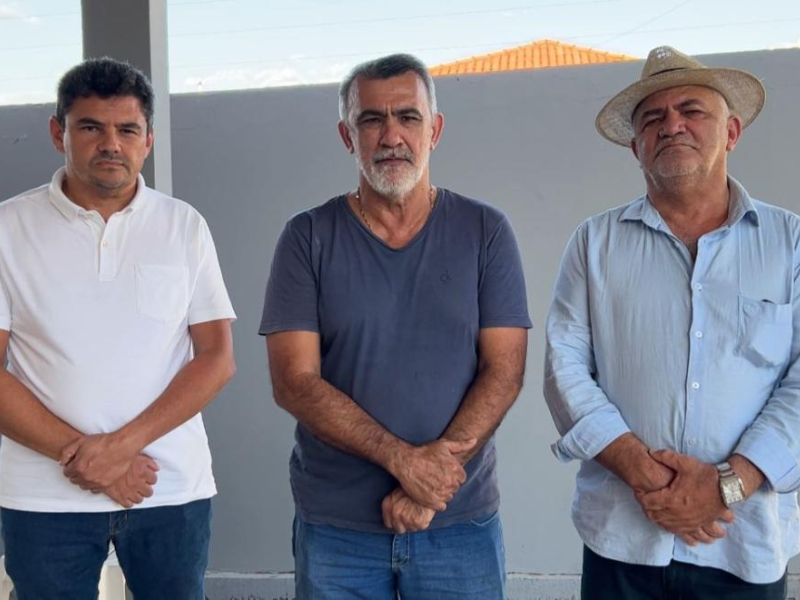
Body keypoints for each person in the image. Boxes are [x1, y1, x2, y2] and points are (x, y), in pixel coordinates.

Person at [261, 53, 530, 599]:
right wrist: (405, 463)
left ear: (435, 129)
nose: (391, 136)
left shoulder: (485, 230)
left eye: (408, 117)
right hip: (338, 530)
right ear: (347, 135)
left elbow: (504, 371)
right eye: (371, 120)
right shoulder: (306, 238)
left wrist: (430, 488)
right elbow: (294, 381)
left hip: (458, 525)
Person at [544, 45, 797, 599]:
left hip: (743, 542)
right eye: (652, 118)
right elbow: (564, 370)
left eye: (692, 110)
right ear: (636, 146)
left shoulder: (791, 243)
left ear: (731, 133)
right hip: (622, 540)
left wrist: (726, 484)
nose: (672, 125)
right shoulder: (594, 243)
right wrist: (644, 471)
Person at [0, 57, 236, 599]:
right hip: (43, 496)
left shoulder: (183, 226)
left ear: (147, 139)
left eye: (127, 130)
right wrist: (92, 460)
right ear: (58, 132)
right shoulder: (8, 228)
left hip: (168, 487)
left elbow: (217, 359)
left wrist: (122, 449)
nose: (111, 144)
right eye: (91, 127)